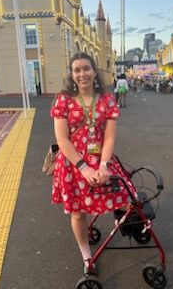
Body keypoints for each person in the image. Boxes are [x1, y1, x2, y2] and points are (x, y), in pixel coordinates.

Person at [50, 52, 136, 275]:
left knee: (124, 197)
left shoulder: (107, 100)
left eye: (86, 68)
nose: (82, 74)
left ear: (94, 71)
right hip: (73, 165)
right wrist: (84, 167)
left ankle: (126, 224)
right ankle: (86, 255)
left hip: (101, 160)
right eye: (77, 70)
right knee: (78, 213)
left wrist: (104, 165)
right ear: (72, 74)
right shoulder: (63, 100)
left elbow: (109, 137)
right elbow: (62, 139)